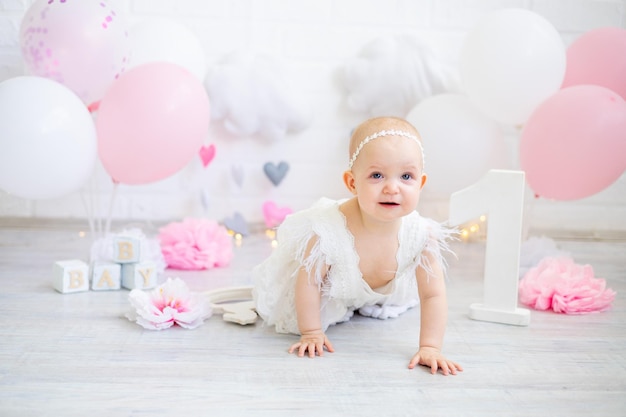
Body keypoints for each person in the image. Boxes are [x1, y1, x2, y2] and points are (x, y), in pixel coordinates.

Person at [252, 116, 462, 375]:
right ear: (352, 182)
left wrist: (430, 347)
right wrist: (312, 332)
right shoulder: (328, 231)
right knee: (301, 300)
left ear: (421, 183)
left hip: (382, 291)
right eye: (377, 175)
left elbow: (432, 294)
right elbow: (310, 283)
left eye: (406, 176)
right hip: (332, 290)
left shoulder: (421, 236)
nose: (392, 188)